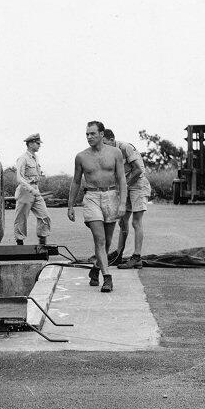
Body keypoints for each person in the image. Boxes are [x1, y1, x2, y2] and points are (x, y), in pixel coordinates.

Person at [67, 121, 126, 293]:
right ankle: (107, 278)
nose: (89, 137)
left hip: (111, 195)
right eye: (87, 134)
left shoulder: (115, 153)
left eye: (92, 134)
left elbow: (122, 178)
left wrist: (122, 203)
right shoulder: (81, 157)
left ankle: (96, 268)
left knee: (107, 241)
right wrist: (70, 206)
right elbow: (76, 181)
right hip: (91, 196)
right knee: (99, 239)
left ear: (102, 134)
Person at [102, 129, 151, 269]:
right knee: (122, 221)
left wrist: (124, 185)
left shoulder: (125, 148)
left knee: (136, 222)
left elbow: (138, 170)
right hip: (126, 187)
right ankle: (119, 254)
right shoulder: (108, 153)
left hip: (138, 185)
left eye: (106, 143)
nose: (104, 147)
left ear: (112, 139)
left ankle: (137, 257)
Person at [13, 133, 51, 245]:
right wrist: (31, 189)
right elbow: (19, 178)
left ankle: (42, 242)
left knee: (44, 215)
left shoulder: (35, 158)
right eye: (37, 143)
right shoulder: (23, 158)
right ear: (30, 144)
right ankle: (19, 243)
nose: (39, 145)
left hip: (35, 189)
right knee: (21, 218)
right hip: (25, 191)